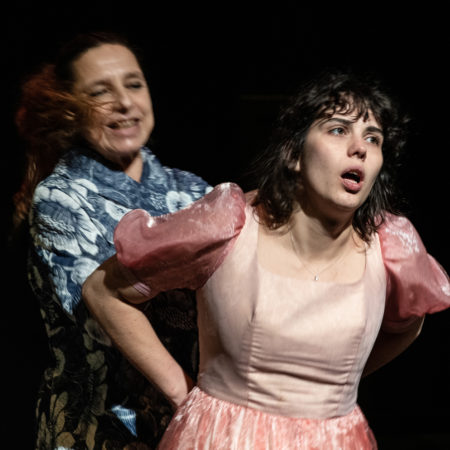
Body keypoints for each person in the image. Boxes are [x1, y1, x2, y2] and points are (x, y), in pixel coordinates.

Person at [82, 70, 450, 449]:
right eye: (339, 130)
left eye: (373, 138)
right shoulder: (228, 225)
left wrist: (336, 387)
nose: (360, 148)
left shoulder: (392, 247)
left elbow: (409, 323)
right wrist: (181, 392)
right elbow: (103, 291)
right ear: (293, 153)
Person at [13, 31, 211, 449]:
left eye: (133, 84)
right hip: (99, 431)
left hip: (191, 429)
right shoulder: (60, 198)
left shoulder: (194, 191)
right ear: (71, 110)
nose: (124, 101)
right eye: (100, 92)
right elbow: (105, 322)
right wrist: (193, 404)